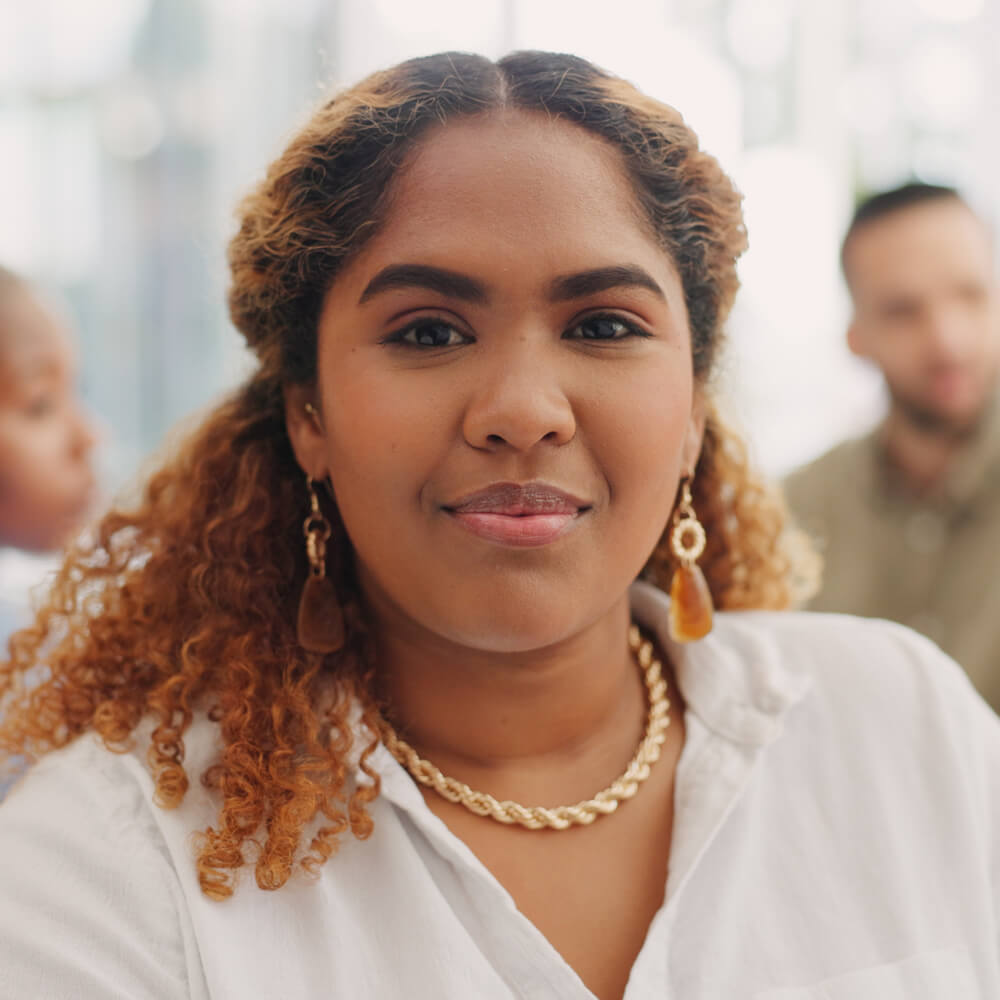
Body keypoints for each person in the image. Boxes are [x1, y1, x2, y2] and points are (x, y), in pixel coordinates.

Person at [0, 53, 997, 1000]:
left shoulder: (901, 726)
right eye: (428, 332)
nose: (524, 409)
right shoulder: (109, 862)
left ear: (693, 404)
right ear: (309, 413)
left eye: (603, 325)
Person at [784, 182, 1000, 712]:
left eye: (971, 295)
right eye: (904, 310)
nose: (947, 340)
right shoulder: (790, 514)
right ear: (855, 335)